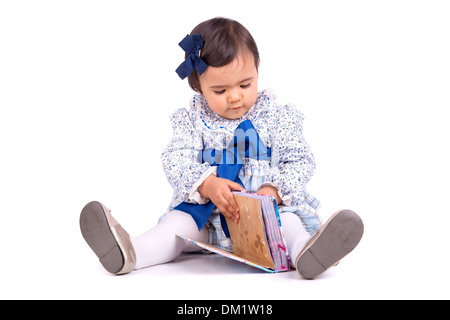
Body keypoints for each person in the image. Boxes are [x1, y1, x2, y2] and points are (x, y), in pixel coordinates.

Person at [80, 17, 364, 279]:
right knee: (174, 227)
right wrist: (207, 184)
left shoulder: (277, 117)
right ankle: (131, 252)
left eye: (245, 83)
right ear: (199, 86)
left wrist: (273, 191)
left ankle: (307, 251)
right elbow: (175, 159)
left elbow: (300, 160)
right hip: (207, 220)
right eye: (220, 90)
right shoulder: (192, 121)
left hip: (265, 219)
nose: (235, 97)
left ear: (257, 70)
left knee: (288, 226)